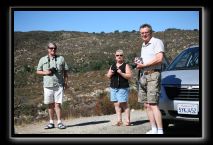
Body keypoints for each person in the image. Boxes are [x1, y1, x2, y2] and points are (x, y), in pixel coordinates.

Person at [134, 24, 164, 134]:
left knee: (153, 104)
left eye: (146, 32)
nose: (144, 34)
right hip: (144, 75)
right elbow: (146, 60)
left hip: (153, 75)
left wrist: (144, 64)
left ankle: (160, 131)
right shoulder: (143, 45)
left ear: (151, 32)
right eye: (142, 33)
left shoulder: (157, 42)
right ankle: (154, 129)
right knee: (146, 104)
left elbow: (159, 59)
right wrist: (139, 64)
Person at [36, 42, 69, 129]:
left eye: (54, 48)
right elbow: (38, 71)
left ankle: (59, 122)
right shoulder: (42, 59)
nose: (53, 49)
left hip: (59, 85)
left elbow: (65, 71)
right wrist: (45, 72)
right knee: (50, 104)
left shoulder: (61, 58)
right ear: (48, 49)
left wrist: (66, 83)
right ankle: (51, 122)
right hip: (47, 85)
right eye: (51, 48)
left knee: (57, 104)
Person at [106, 49, 132, 126]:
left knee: (124, 104)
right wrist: (110, 73)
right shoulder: (112, 66)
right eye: (117, 55)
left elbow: (129, 76)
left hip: (122, 87)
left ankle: (128, 121)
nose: (119, 56)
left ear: (123, 56)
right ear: (115, 57)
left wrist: (121, 73)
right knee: (116, 104)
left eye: (121, 55)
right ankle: (119, 120)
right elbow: (108, 76)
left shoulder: (125, 65)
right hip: (113, 87)